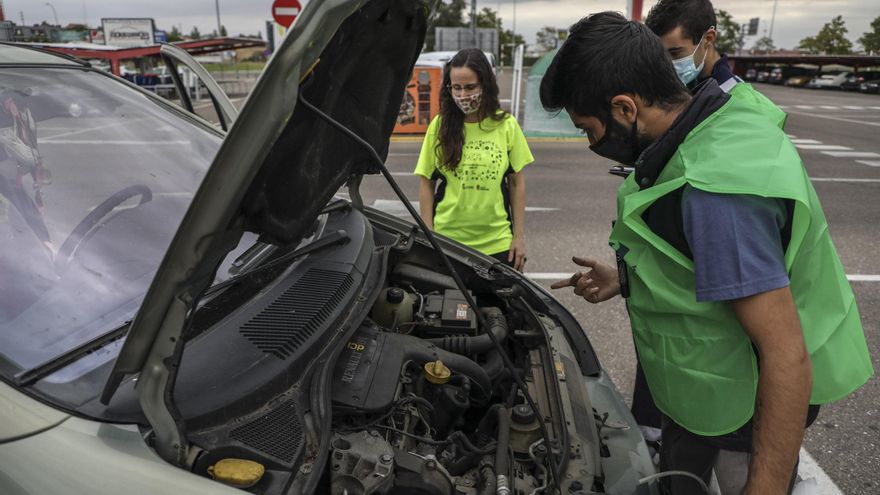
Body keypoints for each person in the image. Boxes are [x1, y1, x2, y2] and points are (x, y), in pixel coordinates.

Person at [539, 12, 873, 495]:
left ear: (625, 108)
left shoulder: (717, 195)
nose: (592, 143)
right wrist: (625, 278)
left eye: (588, 130)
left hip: (743, 411)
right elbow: (694, 259)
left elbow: (785, 356)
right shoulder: (704, 124)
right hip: (703, 395)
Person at [414, 48, 533, 271]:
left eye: (470, 87)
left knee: (497, 307)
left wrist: (518, 238)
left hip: (498, 244)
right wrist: (429, 235)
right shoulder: (439, 127)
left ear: (485, 85)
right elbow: (426, 183)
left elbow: (517, 184)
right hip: (448, 244)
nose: (463, 95)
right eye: (456, 88)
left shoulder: (506, 125)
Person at [645, 0, 786, 128]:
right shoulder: (671, 91)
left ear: (708, 38)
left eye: (675, 53)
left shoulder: (749, 107)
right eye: (662, 55)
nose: (667, 64)